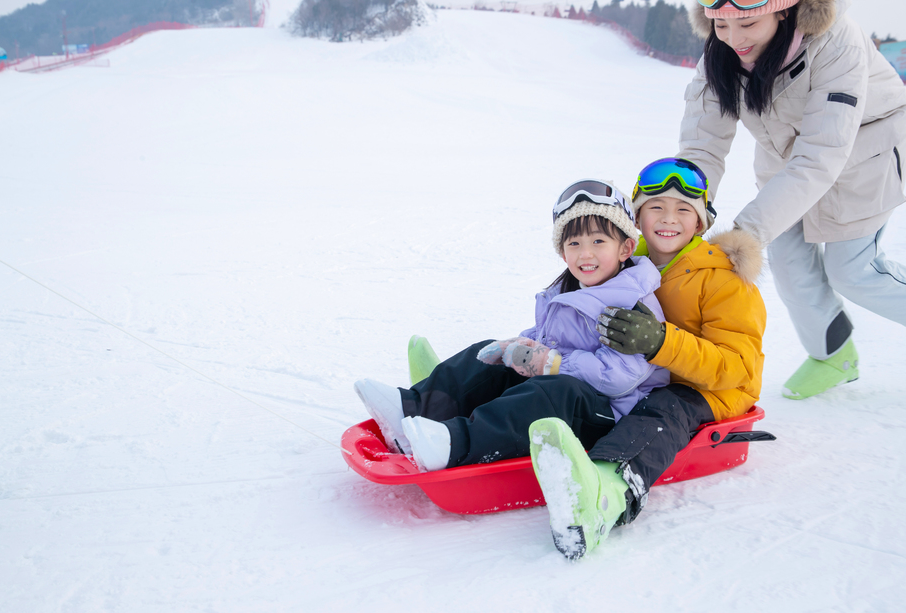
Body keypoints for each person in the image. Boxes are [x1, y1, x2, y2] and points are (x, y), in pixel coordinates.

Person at [528, 157, 767, 559]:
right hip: (636, 375)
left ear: (700, 223)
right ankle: (453, 400)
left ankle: (607, 491)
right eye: (656, 207)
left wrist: (660, 342)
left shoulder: (724, 279)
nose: (668, 218)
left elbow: (737, 368)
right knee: (559, 378)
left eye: (683, 209)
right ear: (636, 219)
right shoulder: (624, 259)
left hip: (704, 390)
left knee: (661, 410)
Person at [353, 180, 669, 472]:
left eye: (598, 241)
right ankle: (411, 409)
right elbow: (549, 338)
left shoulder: (633, 303)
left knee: (554, 391)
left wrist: (554, 364)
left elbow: (618, 379)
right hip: (567, 390)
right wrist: (517, 348)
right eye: (574, 243)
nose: (585, 254)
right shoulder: (570, 291)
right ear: (563, 252)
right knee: (491, 358)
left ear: (626, 248)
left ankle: (454, 444)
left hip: (610, 415)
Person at [678, 0, 906, 399]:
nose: (734, 39)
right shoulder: (721, 54)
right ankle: (833, 353)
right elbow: (703, 143)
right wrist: (685, 205)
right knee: (786, 260)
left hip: (865, 159)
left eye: (748, 23)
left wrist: (747, 232)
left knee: (852, 270)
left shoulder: (837, 43)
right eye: (721, 26)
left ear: (784, 11)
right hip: (785, 162)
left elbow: (821, 155)